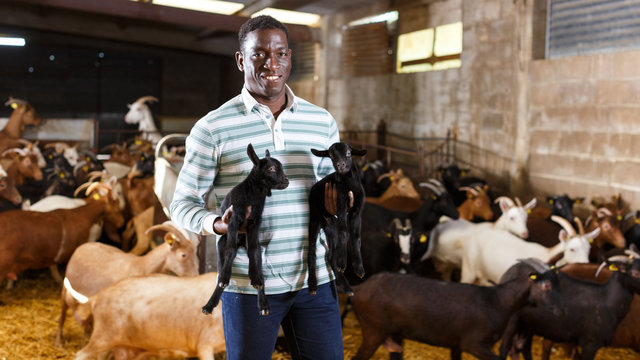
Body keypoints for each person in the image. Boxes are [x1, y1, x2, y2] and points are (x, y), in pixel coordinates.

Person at [170, 15, 345, 360]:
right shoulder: (212, 128)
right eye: (259, 54)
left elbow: (330, 193)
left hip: (315, 280)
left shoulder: (321, 121)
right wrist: (218, 224)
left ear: (290, 57)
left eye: (280, 53)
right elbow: (182, 204)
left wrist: (342, 202)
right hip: (250, 286)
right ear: (240, 60)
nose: (272, 63)